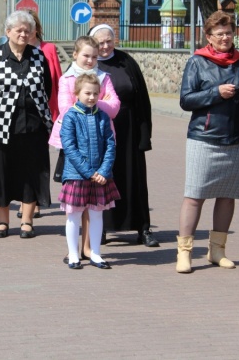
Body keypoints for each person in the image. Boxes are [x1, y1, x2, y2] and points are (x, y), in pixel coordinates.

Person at [177, 10, 239, 273]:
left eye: (229, 33)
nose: (226, 37)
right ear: (209, 37)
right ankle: (184, 252)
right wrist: (215, 93)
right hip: (204, 138)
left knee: (227, 196)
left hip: (237, 138)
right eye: (220, 34)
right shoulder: (197, 61)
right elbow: (186, 100)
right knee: (195, 195)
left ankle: (217, 251)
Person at [0, 10, 52, 239]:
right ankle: (2, 221)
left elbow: (46, 88)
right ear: (8, 32)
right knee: (1, 173)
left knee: (31, 173)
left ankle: (27, 220)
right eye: (19, 30)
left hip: (33, 126)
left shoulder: (39, 56)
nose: (23, 34)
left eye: (27, 31)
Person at [49, 36, 120, 262]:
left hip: (99, 149)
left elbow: (114, 107)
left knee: (96, 207)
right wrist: (99, 100)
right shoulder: (67, 78)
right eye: (86, 56)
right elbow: (66, 108)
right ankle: (74, 251)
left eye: (94, 57)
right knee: (75, 208)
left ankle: (91, 249)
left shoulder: (104, 77)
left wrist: (96, 102)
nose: (90, 60)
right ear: (75, 55)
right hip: (77, 154)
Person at [89, 23, 159, 247]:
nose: (105, 46)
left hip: (128, 129)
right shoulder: (89, 63)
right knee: (103, 177)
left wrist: (145, 133)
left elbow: (142, 99)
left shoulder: (127, 61)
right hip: (99, 129)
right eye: (100, 42)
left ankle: (143, 228)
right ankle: (100, 229)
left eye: (109, 41)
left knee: (134, 178)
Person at [60, 74, 120, 270]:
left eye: (95, 93)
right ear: (77, 93)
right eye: (87, 93)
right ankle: (73, 254)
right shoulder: (70, 116)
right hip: (76, 176)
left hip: (100, 176)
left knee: (96, 214)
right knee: (73, 215)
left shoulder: (103, 116)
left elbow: (110, 145)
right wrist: (88, 172)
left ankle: (95, 253)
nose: (92, 97)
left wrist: (103, 171)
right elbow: (69, 147)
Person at [16, 10, 63, 220]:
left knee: (38, 159)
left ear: (36, 28)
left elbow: (58, 80)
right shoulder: (13, 50)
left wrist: (59, 112)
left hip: (44, 113)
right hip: (18, 114)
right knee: (20, 159)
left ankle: (35, 200)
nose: (27, 31)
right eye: (22, 27)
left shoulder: (48, 49)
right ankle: (24, 200)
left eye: (31, 26)